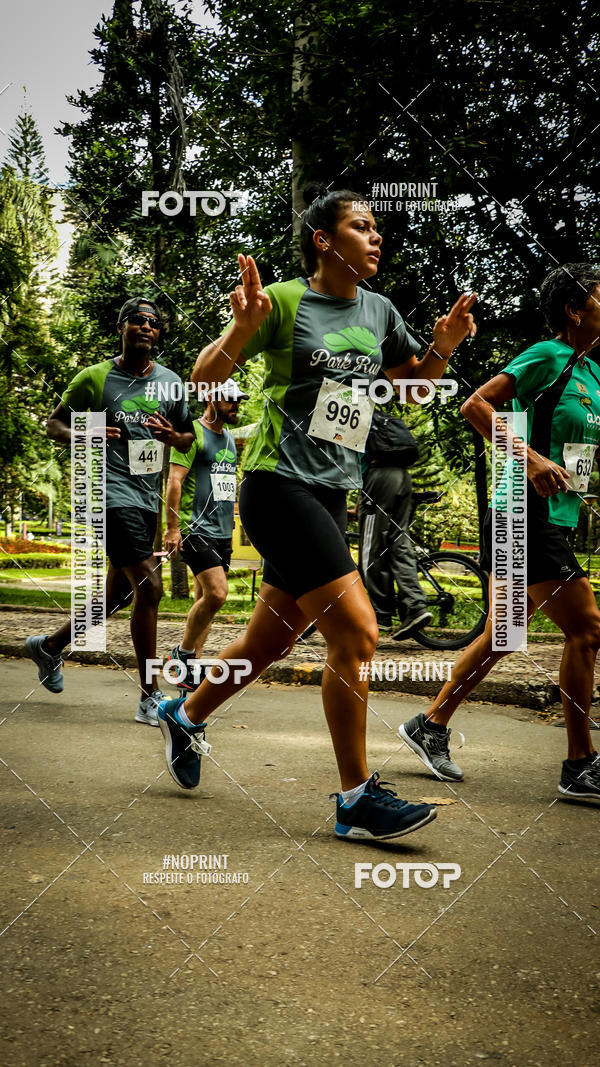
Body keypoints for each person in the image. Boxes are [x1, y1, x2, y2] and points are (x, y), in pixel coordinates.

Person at [157, 185, 476, 841]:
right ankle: (356, 798)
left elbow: (411, 389)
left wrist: (442, 346)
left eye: (377, 227)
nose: (376, 236)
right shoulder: (283, 301)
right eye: (361, 226)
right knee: (357, 633)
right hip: (278, 484)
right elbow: (202, 378)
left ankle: (184, 714)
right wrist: (242, 328)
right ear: (324, 241)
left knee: (272, 639)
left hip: (333, 491)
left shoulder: (380, 309)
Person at [399, 262, 600, 804]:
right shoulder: (547, 356)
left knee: (505, 634)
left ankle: (431, 723)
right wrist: (530, 458)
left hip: (555, 515)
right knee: (586, 628)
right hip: (523, 509)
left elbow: (580, 453)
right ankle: (580, 764)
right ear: (575, 310)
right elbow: (475, 405)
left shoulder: (593, 375)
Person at [25, 297, 194, 725]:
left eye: (153, 322)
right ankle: (149, 696)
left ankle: (49, 646)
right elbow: (53, 424)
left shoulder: (171, 383)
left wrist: (172, 435)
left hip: (146, 498)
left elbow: (187, 439)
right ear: (121, 327)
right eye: (136, 320)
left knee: (117, 593)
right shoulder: (95, 378)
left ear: (159, 333)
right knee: (151, 589)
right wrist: (89, 428)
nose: (145, 327)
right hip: (107, 493)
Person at [164, 377, 248, 691]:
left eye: (238, 400)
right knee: (217, 593)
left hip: (223, 531)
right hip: (194, 528)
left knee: (206, 602)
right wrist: (172, 529)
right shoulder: (192, 434)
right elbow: (174, 482)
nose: (236, 405)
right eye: (230, 399)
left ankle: (190, 671)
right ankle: (182, 654)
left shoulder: (228, 437)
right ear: (212, 399)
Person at [359, 406, 433, 637]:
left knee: (370, 550)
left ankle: (381, 615)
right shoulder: (379, 416)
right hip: (402, 477)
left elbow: (356, 459)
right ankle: (415, 605)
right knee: (398, 542)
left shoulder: (353, 413)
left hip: (379, 476)